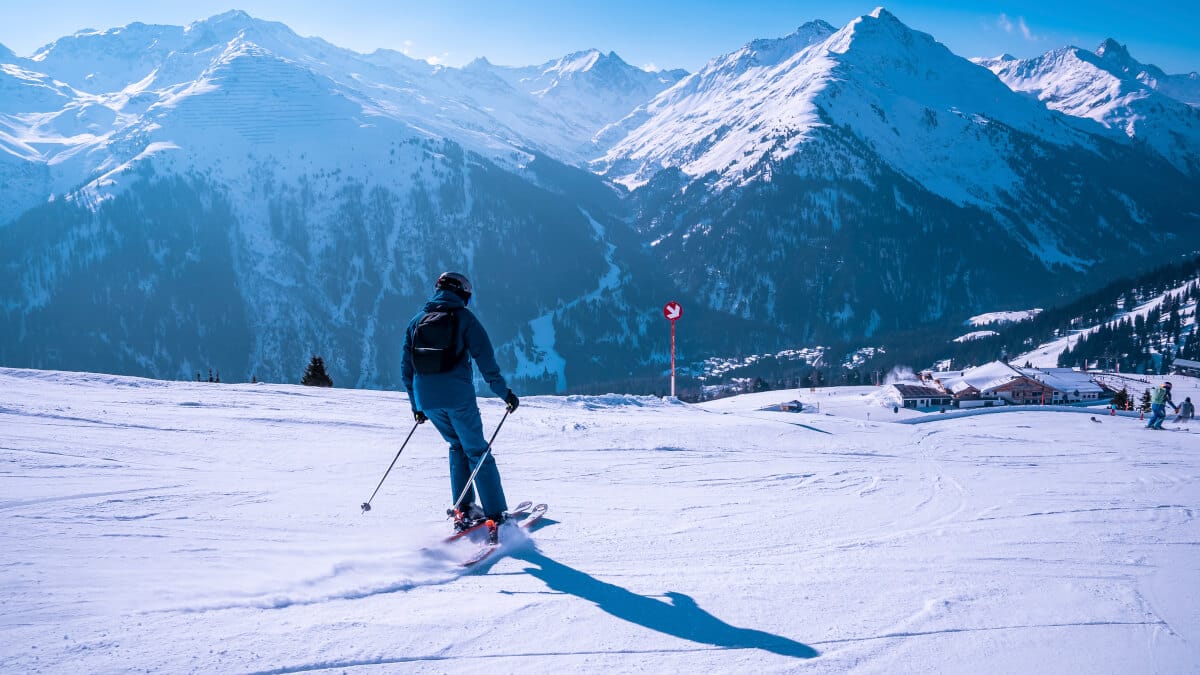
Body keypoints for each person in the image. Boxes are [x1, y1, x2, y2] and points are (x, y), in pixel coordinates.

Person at [401, 272, 520, 527]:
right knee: (477, 450)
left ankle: (464, 508)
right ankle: (496, 514)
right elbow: (485, 360)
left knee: (457, 446)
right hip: (457, 398)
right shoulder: (465, 319)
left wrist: (417, 406)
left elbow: (406, 369)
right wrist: (505, 394)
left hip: (427, 401)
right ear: (462, 293)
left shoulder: (416, 321)